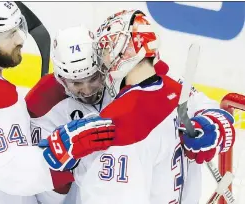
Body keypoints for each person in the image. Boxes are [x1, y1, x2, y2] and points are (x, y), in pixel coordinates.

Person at [31, 11, 236, 204]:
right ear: (60, 78)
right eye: (75, 83)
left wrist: (214, 125)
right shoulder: (44, 102)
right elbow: (40, 192)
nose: (86, 90)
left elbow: (203, 105)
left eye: (94, 78)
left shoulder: (134, 112)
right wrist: (62, 166)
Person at [0, 2, 115, 204]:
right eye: (9, 34)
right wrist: (62, 151)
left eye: (18, 29)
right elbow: (12, 174)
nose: (20, 39)